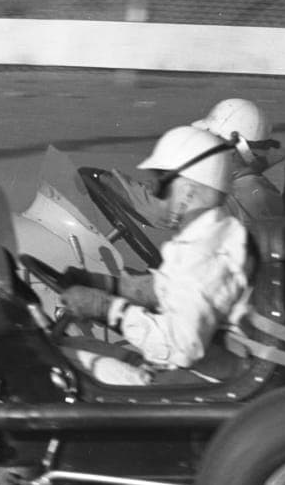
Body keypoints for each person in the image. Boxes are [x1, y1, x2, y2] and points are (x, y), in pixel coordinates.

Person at [58, 125, 253, 386]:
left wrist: (107, 308)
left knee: (59, 364)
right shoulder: (211, 235)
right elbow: (170, 288)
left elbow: (182, 348)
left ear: (188, 191)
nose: (153, 191)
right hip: (204, 369)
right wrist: (105, 284)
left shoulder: (204, 251)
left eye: (161, 184)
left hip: (200, 381)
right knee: (74, 345)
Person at [111, 97, 285, 228]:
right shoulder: (251, 186)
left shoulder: (240, 195)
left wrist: (109, 182)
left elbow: (160, 210)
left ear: (232, 149)